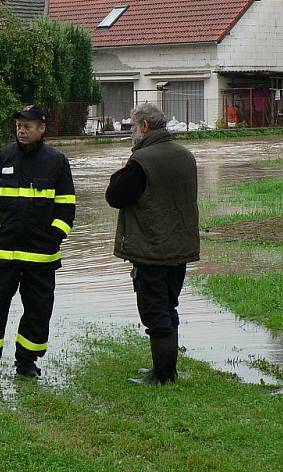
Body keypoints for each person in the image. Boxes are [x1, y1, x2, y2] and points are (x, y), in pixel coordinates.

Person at [0, 105, 76, 379]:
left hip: (41, 258)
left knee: (38, 312)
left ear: (42, 128)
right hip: (3, 255)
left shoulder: (56, 161)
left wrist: (53, 237)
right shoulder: (3, 157)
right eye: (18, 125)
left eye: (27, 125)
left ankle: (27, 363)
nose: (21, 129)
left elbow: (66, 208)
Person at [105, 102, 199, 385]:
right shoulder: (185, 155)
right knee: (169, 306)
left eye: (133, 126)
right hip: (180, 247)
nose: (131, 131)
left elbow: (115, 196)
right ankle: (166, 369)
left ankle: (162, 375)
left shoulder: (143, 160)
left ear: (144, 126)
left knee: (154, 311)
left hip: (152, 248)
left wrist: (125, 168)